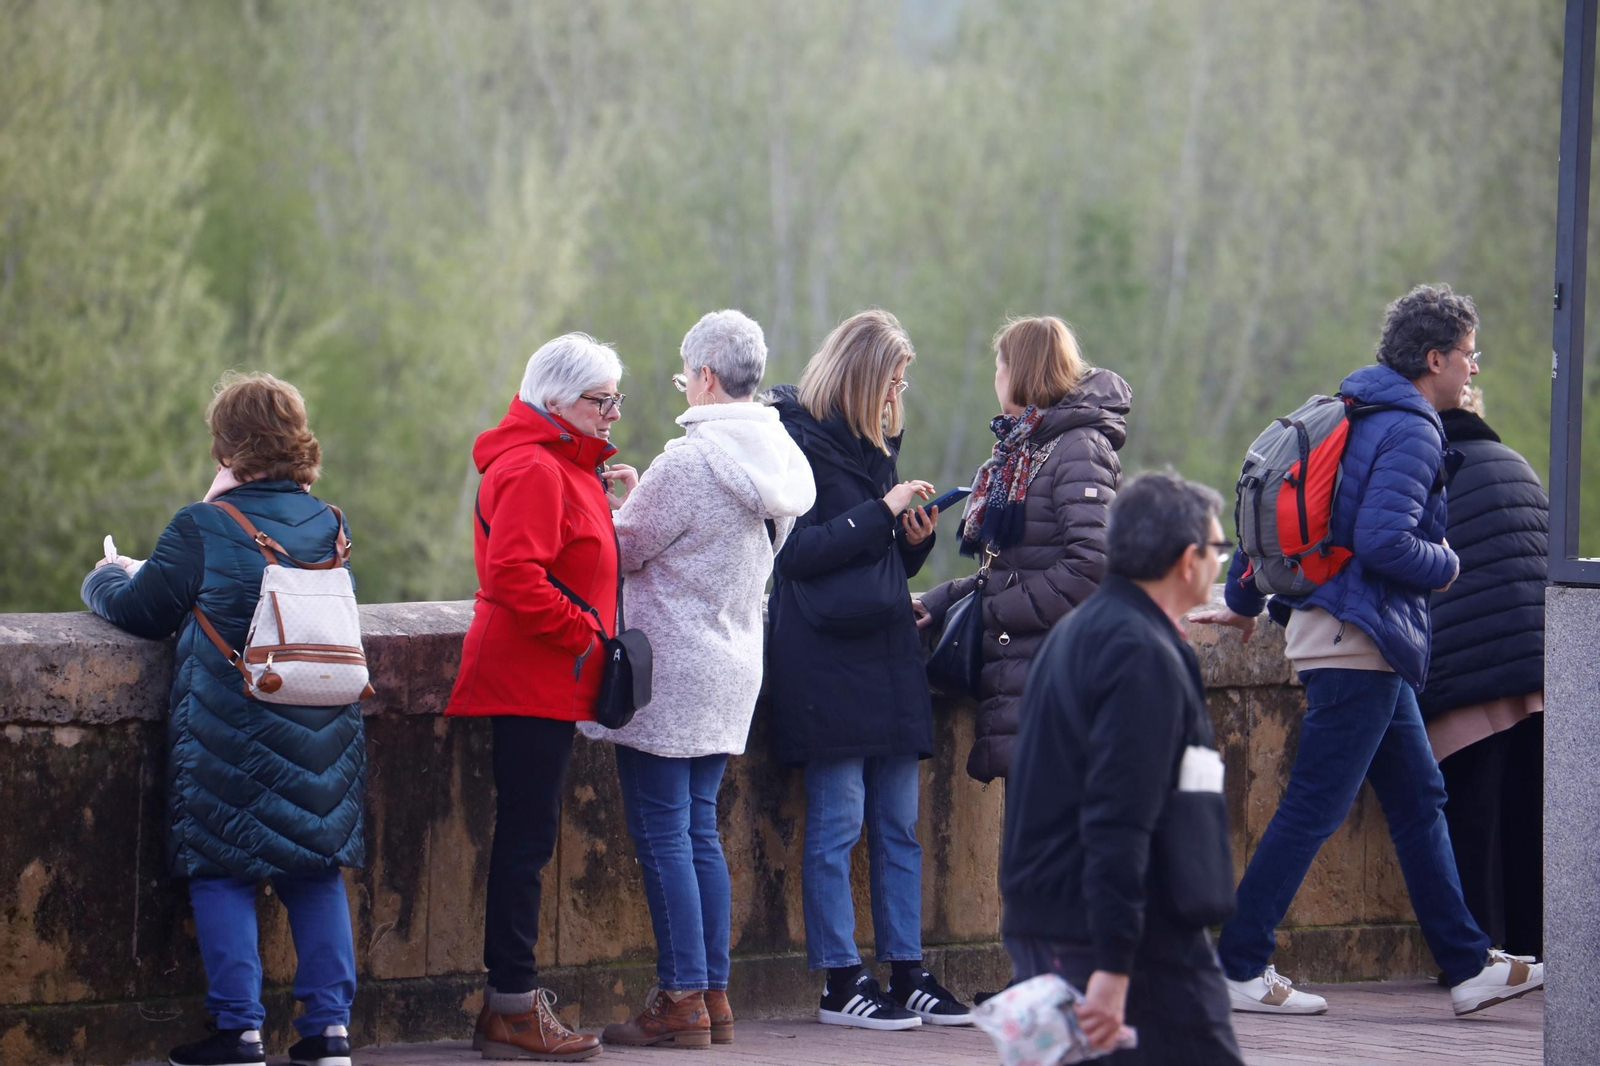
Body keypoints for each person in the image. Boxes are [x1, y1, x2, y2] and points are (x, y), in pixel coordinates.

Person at [1195, 284, 1544, 1018]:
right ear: (1434, 358)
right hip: (1361, 640)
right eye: (1468, 358)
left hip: (1345, 635)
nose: (1472, 372)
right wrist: (1446, 564)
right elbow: (1385, 542)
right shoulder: (1414, 427)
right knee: (1315, 806)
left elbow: (1303, 517)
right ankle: (1239, 962)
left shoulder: (1354, 410)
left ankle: (1465, 962)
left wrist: (1242, 598)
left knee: (1420, 799)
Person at [81, 372, 362, 1066]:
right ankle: (328, 1033)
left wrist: (106, 574)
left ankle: (238, 1032)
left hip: (232, 731)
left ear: (227, 444)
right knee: (315, 871)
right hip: (322, 727)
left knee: (222, 870)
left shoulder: (203, 525)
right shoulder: (330, 522)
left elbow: (143, 610)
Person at [579, 311, 816, 1048]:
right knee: (698, 832)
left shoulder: (689, 461)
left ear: (706, 377)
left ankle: (681, 995)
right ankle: (711, 993)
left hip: (671, 666)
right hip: (734, 660)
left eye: (687, 376)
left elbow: (629, 551)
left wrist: (607, 505)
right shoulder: (775, 457)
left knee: (663, 836)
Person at [765, 309, 972, 1031]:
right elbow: (796, 556)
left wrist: (912, 540)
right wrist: (880, 512)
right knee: (837, 822)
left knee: (898, 823)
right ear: (861, 375)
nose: (897, 394)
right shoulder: (793, 440)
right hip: (822, 658)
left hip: (884, 650)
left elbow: (874, 559)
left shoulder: (874, 443)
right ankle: (840, 979)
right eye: (892, 379)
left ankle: (906, 970)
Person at [1001, 470, 1245, 1065]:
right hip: (1117, 933)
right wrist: (1113, 966)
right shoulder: (1139, 652)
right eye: (1219, 550)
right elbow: (1119, 816)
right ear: (1189, 561)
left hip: (1059, 916)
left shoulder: (1081, 631)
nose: (1221, 563)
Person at [447, 333, 629, 1062]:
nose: (613, 412)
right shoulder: (532, 467)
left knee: (531, 840)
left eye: (617, 398)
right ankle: (511, 1010)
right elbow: (515, 575)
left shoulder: (562, 463)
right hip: (530, 679)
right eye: (600, 399)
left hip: (548, 679)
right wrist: (587, 636)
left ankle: (513, 1006)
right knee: (525, 845)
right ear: (552, 400)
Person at [915, 315, 1130, 783]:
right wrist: (944, 600)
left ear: (1019, 372)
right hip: (1027, 676)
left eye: (999, 366)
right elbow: (1012, 564)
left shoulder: (1077, 448)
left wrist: (998, 610)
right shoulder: (1024, 449)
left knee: (1050, 846)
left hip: (1058, 680)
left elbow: (1093, 566)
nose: (996, 378)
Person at [1421, 386, 1547, 959]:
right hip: (1539, 674)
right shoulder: (1519, 466)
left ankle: (1475, 957)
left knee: (1470, 821)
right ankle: (1535, 950)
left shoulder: (1430, 470)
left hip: (1469, 681)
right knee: (1530, 820)